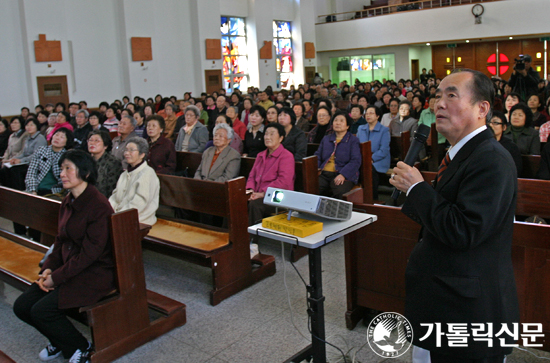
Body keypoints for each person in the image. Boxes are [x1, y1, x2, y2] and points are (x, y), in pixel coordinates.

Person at [390, 69, 519, 363]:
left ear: (482, 108)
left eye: (452, 95)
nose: (440, 104)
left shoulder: (491, 159)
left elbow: (464, 230)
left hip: (469, 309)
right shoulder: (460, 153)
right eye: (438, 96)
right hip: (445, 298)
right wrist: (415, 193)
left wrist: (417, 189)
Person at [13, 149, 114, 363]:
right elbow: (60, 240)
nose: (62, 173)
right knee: (22, 306)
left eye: (68, 168)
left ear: (85, 173)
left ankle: (82, 347)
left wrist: (56, 278)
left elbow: (90, 255)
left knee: (42, 310)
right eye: (61, 168)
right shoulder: (68, 200)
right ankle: (60, 340)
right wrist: (48, 268)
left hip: (95, 273)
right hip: (70, 268)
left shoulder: (98, 206)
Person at [246, 122, 295, 257]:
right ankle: (233, 238)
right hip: (258, 193)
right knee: (236, 200)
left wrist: (262, 193)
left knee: (255, 205)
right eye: (266, 134)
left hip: (279, 196)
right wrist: (250, 191)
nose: (267, 137)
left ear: (281, 138)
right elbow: (251, 176)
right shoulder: (261, 155)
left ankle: (252, 243)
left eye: (272, 134)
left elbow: (283, 182)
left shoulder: (286, 156)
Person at [109, 137, 160, 225]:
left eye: (131, 150)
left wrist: (117, 215)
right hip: (119, 216)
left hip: (139, 219)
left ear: (142, 154)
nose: (127, 153)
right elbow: (115, 196)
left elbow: (139, 203)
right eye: (126, 150)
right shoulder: (125, 174)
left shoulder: (147, 173)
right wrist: (109, 210)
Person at [315, 111, 361, 199]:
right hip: (324, 173)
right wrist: (316, 168)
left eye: (341, 121)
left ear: (348, 126)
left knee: (339, 190)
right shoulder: (326, 139)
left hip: (343, 173)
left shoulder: (353, 140)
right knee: (313, 186)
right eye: (335, 120)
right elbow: (318, 156)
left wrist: (343, 174)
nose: (338, 123)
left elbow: (355, 161)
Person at [25, 127, 74, 195]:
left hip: (55, 191)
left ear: (67, 141)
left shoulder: (67, 156)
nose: (57, 138)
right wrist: (33, 190)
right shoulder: (41, 151)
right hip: (36, 187)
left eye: (62, 137)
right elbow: (31, 172)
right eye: (56, 135)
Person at [356, 106, 391, 200]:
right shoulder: (361, 128)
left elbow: (384, 150)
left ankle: (372, 199)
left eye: (371, 113)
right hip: (363, 160)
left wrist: (371, 159)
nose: (368, 115)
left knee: (369, 170)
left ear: (377, 116)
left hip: (378, 160)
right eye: (366, 113)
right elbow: (357, 146)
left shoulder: (384, 130)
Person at [88, 130, 123, 198]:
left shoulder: (113, 162)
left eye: (96, 141)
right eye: (90, 140)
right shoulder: (85, 161)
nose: (92, 143)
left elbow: (111, 191)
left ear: (105, 145)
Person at [489, 111, 522, 176]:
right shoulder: (481, 143)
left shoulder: (511, 147)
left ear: (504, 127)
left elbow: (517, 170)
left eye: (495, 122)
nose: (491, 125)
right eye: (488, 122)